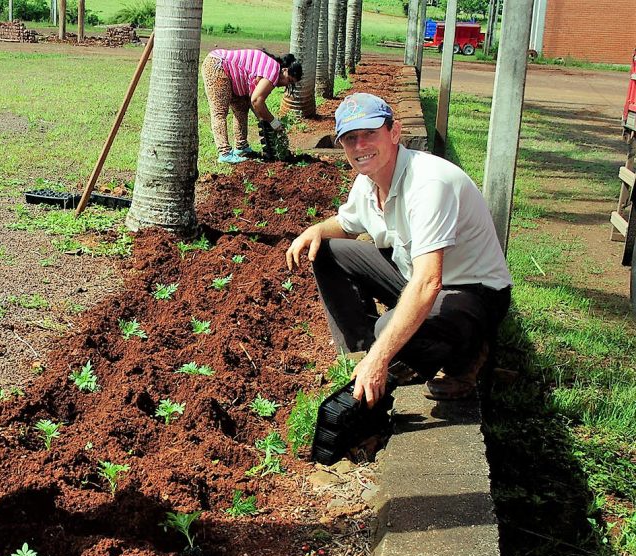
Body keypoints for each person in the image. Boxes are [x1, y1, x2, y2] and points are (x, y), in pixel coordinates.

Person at [285, 92, 512, 406]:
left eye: (370, 134)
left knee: (386, 328)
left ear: (394, 132)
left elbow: (428, 282)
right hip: (416, 276)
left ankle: (466, 359)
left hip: (472, 293)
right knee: (324, 250)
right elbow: (347, 223)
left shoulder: (429, 184)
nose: (360, 146)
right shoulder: (369, 181)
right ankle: (362, 357)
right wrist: (315, 230)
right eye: (351, 139)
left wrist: (381, 356)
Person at [201, 48, 302, 164]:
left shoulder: (270, 68)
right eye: (288, 80)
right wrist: (274, 123)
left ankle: (241, 147)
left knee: (242, 108)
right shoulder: (273, 71)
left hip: (234, 77)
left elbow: (254, 104)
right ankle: (225, 153)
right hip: (218, 66)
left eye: (289, 83)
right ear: (284, 70)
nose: (285, 84)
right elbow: (257, 101)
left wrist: (267, 122)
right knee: (219, 112)